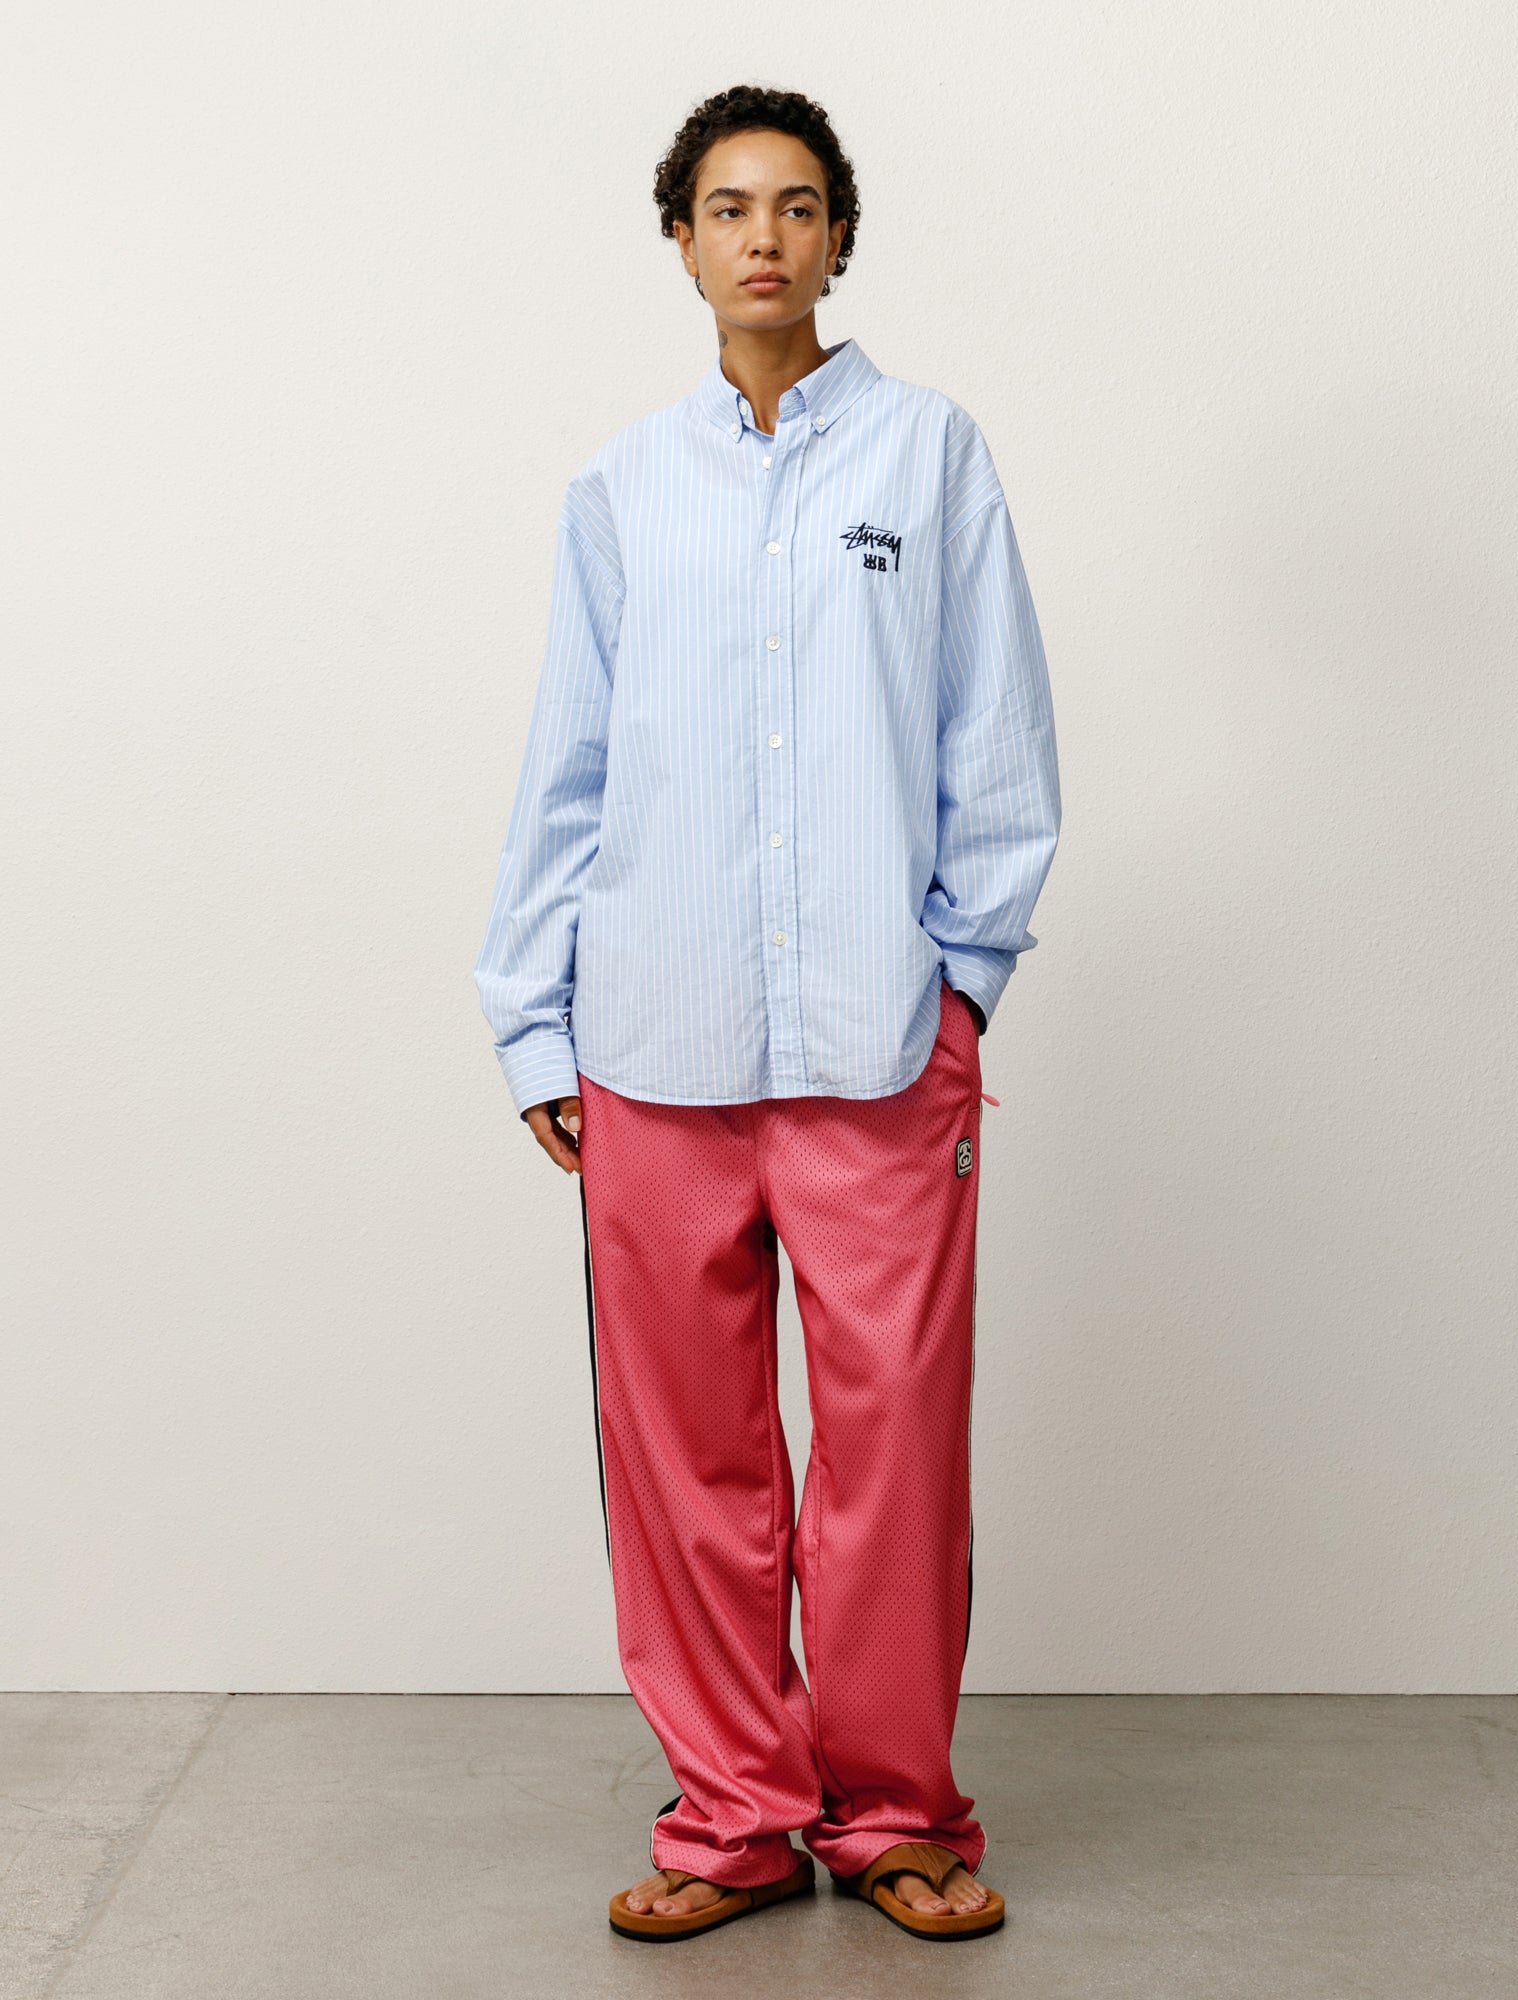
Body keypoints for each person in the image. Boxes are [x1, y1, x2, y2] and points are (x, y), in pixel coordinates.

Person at [473, 82, 1061, 1944]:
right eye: (728, 207)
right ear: (681, 241)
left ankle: (894, 1814)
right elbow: (570, 765)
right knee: (689, 1465)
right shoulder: (623, 488)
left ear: (838, 237)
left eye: (797, 206)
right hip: (652, 1041)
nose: (763, 237)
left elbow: (997, 734)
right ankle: (730, 1816)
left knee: (894, 1455)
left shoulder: (930, 455)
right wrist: (533, 1020)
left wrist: (963, 984)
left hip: (881, 1043)